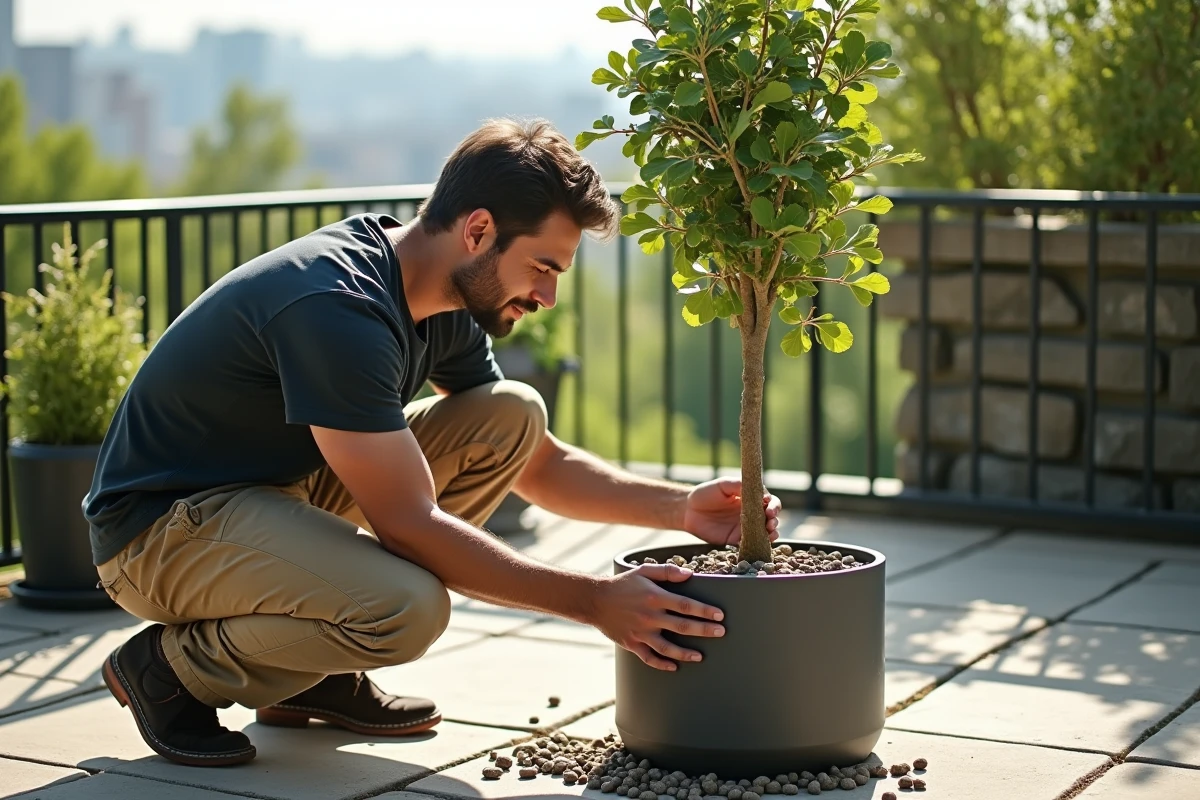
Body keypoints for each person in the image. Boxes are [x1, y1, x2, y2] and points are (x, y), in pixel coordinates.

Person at [83, 117, 782, 768]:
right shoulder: (341, 308)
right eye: (543, 267)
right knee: (408, 607)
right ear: (478, 231)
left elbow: (537, 464)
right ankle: (170, 671)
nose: (548, 297)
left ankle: (303, 675)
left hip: (265, 497)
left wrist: (680, 511)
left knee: (509, 414)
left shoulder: (439, 301)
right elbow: (410, 522)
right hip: (159, 535)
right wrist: (595, 601)